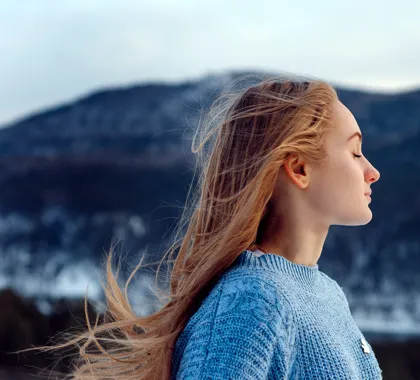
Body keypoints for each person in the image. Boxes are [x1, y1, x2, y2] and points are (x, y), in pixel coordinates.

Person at [29, 74, 382, 379]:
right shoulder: (251, 302)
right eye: (355, 153)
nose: (372, 171)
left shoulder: (326, 294)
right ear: (299, 169)